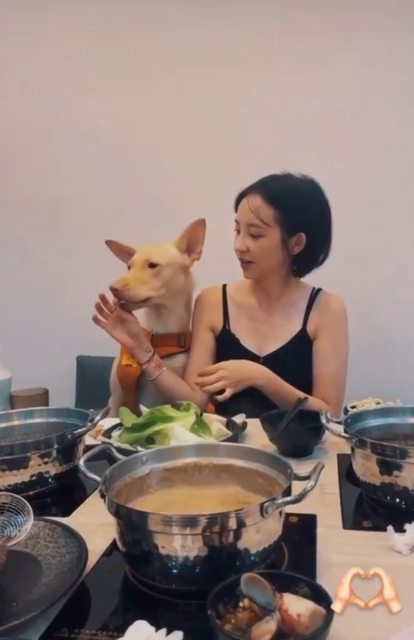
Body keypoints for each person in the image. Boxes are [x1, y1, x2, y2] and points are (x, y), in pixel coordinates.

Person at [93, 173, 348, 418]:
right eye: (238, 231)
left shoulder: (327, 310)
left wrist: (260, 377)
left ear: (296, 243)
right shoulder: (213, 301)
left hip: (300, 448)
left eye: (255, 234)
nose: (240, 245)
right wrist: (141, 349)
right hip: (228, 445)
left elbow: (328, 412)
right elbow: (193, 402)